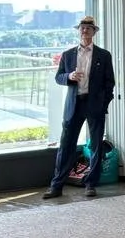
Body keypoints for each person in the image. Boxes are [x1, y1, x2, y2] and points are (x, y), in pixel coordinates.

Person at [43, 17, 116, 200]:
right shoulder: (68, 55)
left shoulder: (104, 55)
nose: (85, 31)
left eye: (88, 29)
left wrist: (103, 103)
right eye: (82, 28)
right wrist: (70, 76)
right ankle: (56, 186)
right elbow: (58, 77)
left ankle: (91, 184)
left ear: (94, 32)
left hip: (94, 104)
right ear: (78, 31)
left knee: (96, 145)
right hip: (74, 104)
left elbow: (110, 83)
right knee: (66, 145)